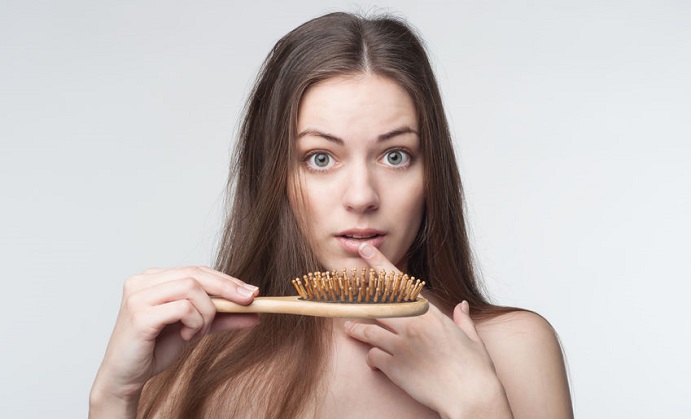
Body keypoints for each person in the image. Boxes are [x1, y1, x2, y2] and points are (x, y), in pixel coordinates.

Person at [89, 12, 573, 418]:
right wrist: (112, 396)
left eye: (395, 155)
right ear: (275, 175)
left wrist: (478, 403)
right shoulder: (194, 363)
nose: (361, 196)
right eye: (321, 158)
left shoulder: (514, 350)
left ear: (433, 174)